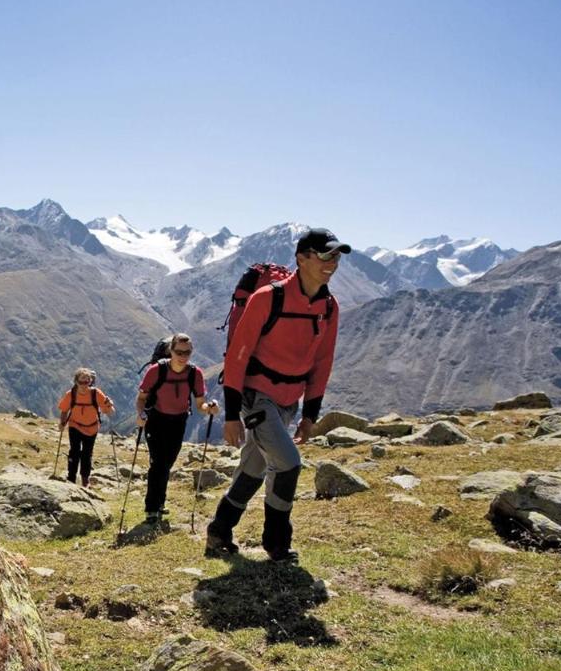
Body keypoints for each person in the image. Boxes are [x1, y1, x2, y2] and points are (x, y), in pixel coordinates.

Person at [205, 228, 348, 561]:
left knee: (254, 469)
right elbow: (238, 356)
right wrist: (230, 415)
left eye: (336, 256)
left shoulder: (328, 306)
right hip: (258, 397)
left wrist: (310, 413)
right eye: (325, 255)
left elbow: (322, 361)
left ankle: (219, 530)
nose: (332, 262)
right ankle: (277, 542)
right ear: (302, 258)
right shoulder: (269, 297)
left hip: (289, 401)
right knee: (288, 464)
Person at [135, 333, 218, 524]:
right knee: (158, 463)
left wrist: (210, 408)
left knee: (167, 462)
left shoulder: (194, 373)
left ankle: (159, 503)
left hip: (178, 421)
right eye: (179, 352)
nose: (183, 356)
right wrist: (141, 415)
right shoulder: (156, 371)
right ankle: (152, 508)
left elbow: (200, 404)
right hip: (155, 419)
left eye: (187, 352)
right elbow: (141, 399)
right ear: (171, 351)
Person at [57, 368, 115, 487]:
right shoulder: (71, 394)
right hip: (75, 425)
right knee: (74, 451)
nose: (84, 385)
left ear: (90, 382)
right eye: (81, 382)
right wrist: (62, 423)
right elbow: (64, 410)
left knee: (87, 454)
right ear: (76, 381)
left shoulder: (96, 393)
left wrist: (109, 405)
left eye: (87, 382)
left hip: (92, 428)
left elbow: (110, 412)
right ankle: (71, 478)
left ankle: (85, 479)